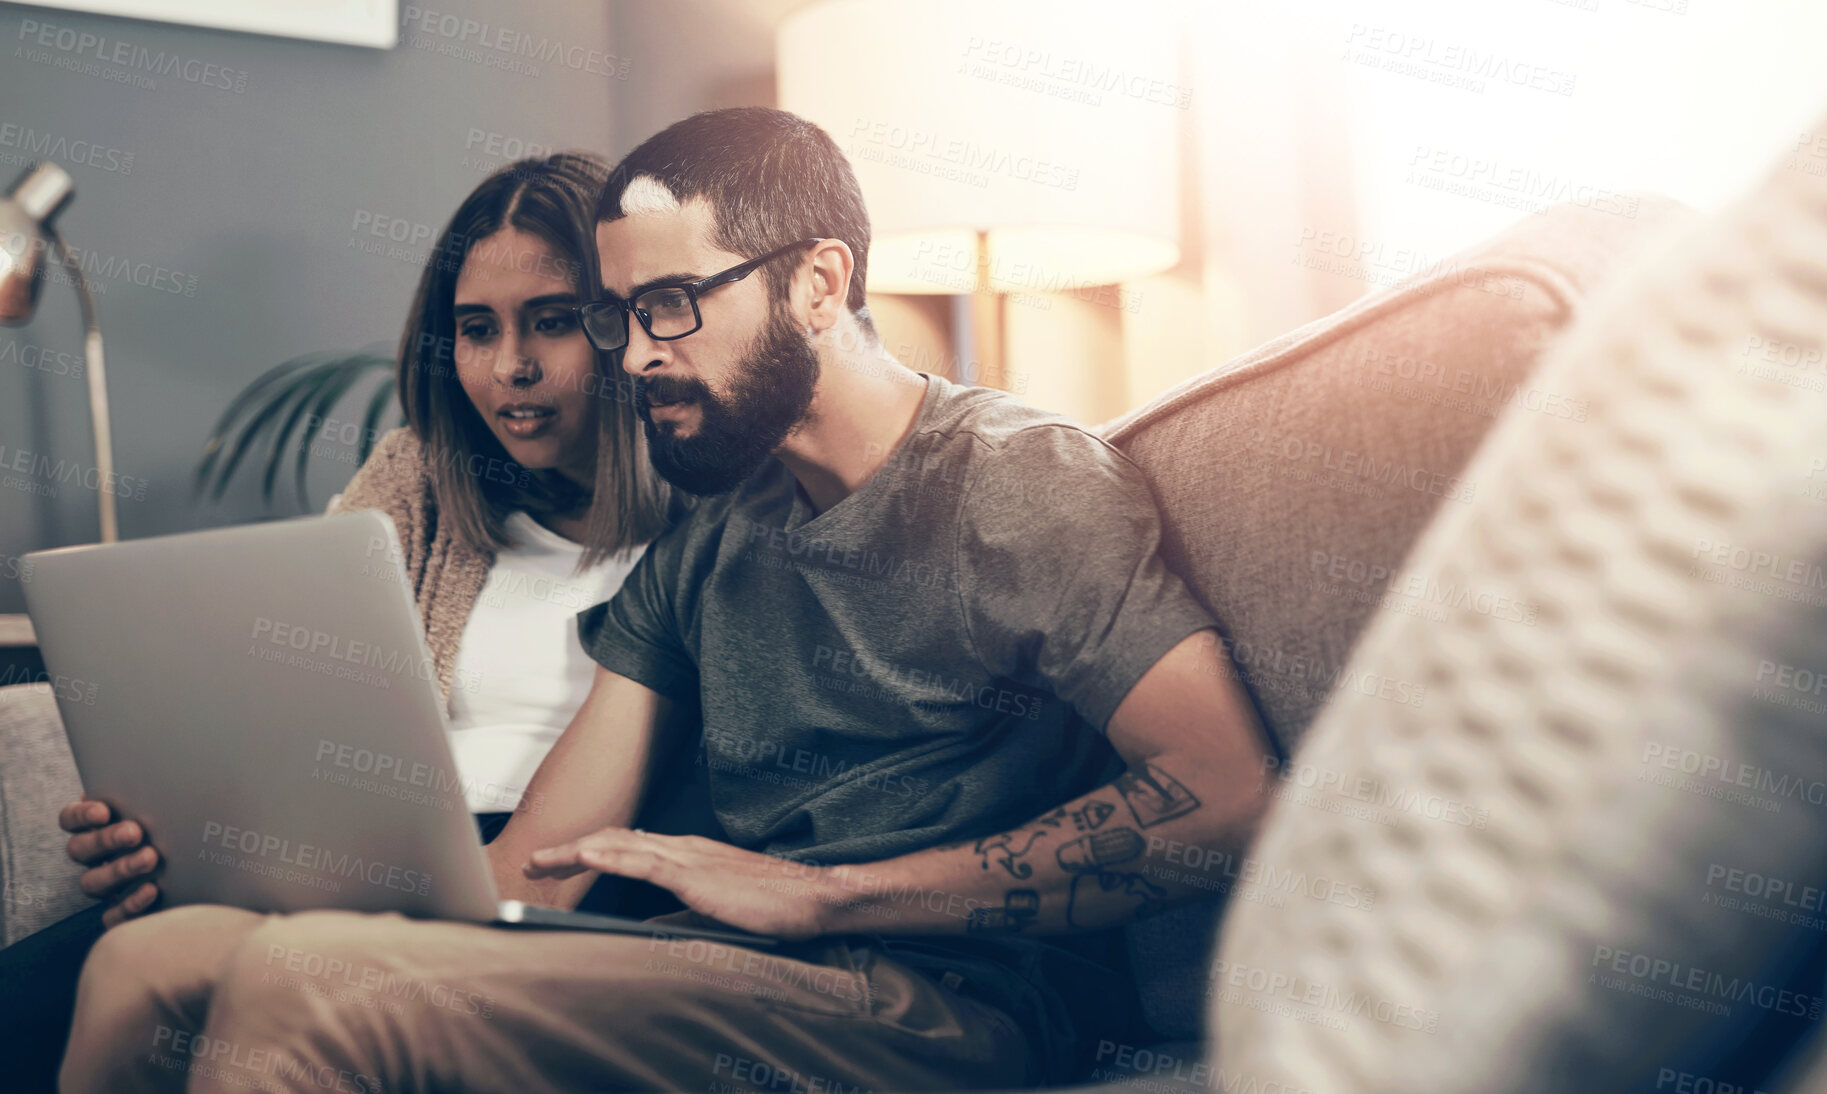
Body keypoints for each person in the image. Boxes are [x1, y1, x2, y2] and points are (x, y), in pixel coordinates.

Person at [61, 108, 1273, 1094]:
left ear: (816, 282)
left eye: (671, 305)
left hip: (944, 999)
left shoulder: (1016, 480)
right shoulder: (718, 533)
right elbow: (546, 864)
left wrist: (826, 891)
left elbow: (1227, 796)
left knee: (312, 977)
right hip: (724, 970)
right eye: (624, 315)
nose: (636, 355)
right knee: (150, 958)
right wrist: (230, 863)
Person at [5, 153, 692, 1089]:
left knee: (141, 972)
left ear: (623, 318)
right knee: (45, 990)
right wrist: (171, 837)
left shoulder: (706, 524)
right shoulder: (417, 480)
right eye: (475, 329)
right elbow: (288, 728)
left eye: (556, 322)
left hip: (563, 890)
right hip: (374, 862)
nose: (511, 366)